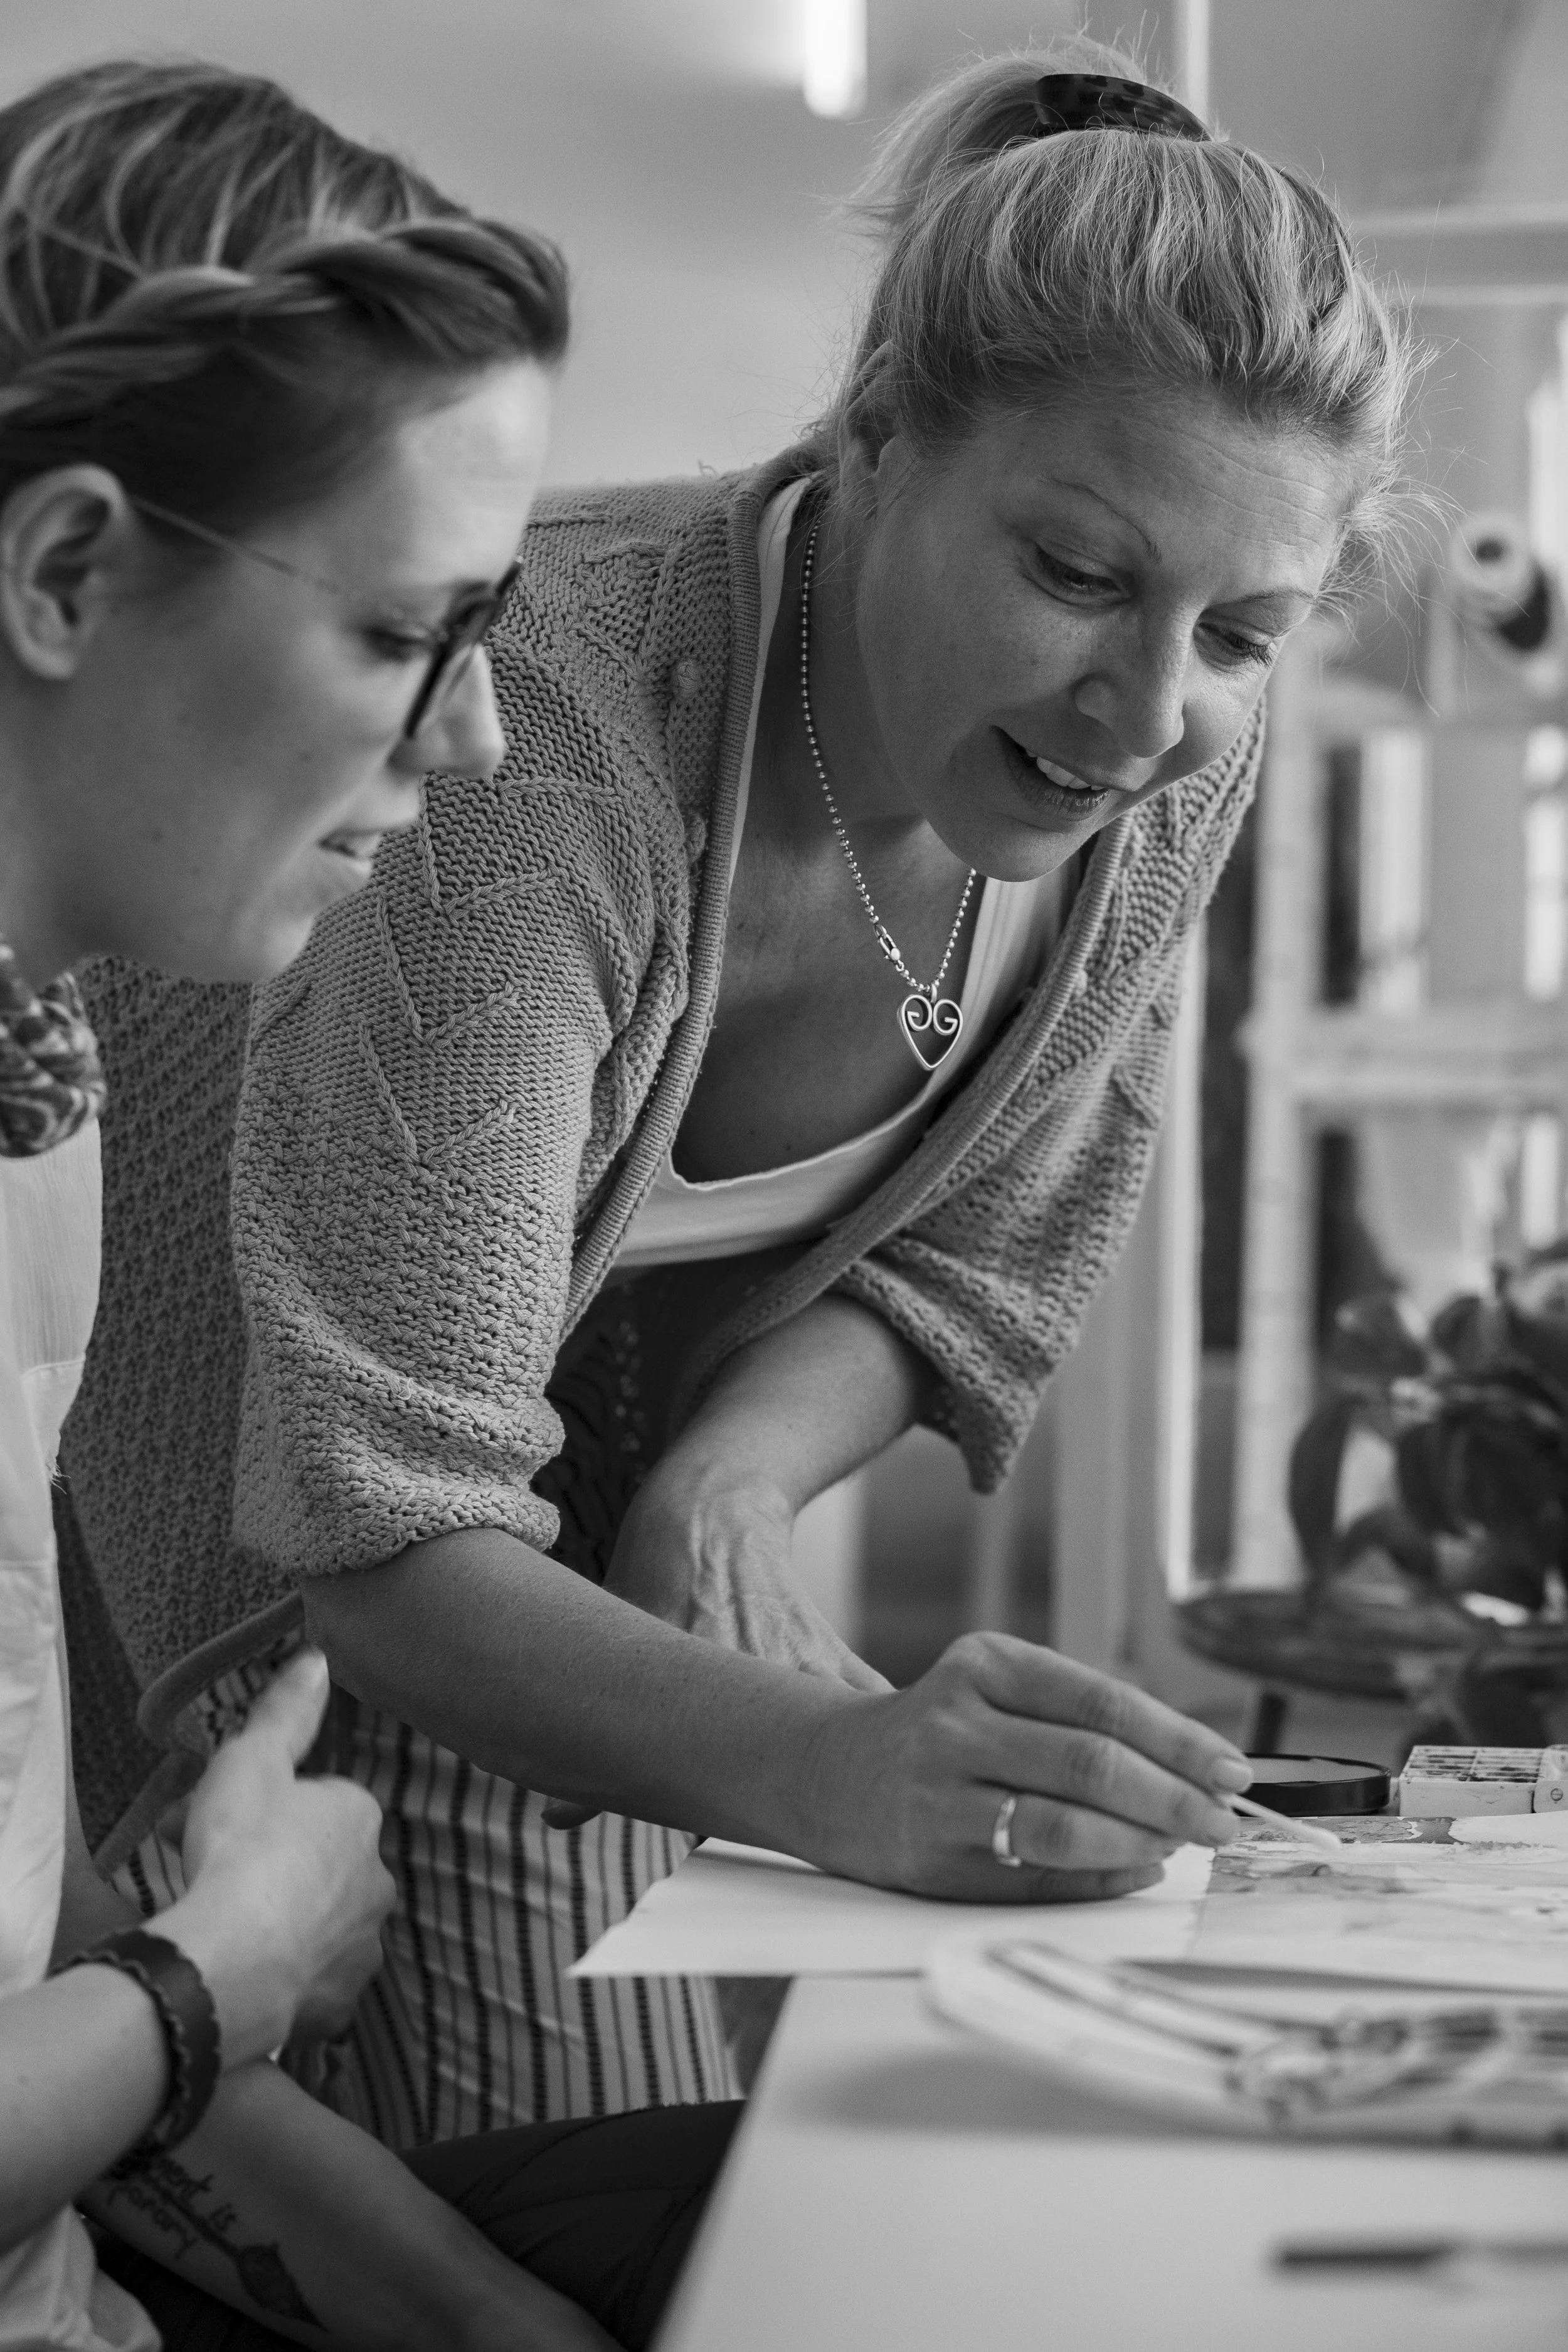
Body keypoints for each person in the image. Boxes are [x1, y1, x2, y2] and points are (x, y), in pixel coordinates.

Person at [61, 38, 1419, 2139]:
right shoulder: (546, 749)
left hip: (572, 1577)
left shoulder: (1157, 747)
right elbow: (372, 1521)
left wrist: (731, 1475)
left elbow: (979, 1257)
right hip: (279, 1612)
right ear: (873, 434)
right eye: (1073, 574)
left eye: (1241, 630)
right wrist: (828, 1766)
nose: (1148, 710)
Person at [0, 57, 738, 2352]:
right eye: (408, 628)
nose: (482, 738)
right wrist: (210, 1978)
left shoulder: (43, 1080)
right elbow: (146, 1992)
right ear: (63, 569)